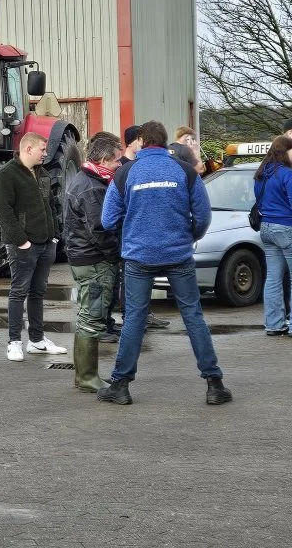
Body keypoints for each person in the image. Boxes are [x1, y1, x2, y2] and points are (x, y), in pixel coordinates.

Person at [98, 121, 231, 406]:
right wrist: (188, 236)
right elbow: (203, 216)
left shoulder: (124, 173)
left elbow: (108, 219)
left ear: (143, 141)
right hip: (178, 255)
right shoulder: (184, 171)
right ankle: (214, 384)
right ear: (165, 140)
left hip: (138, 257)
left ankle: (120, 385)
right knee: (193, 316)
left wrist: (132, 230)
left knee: (134, 318)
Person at [0, 132, 68, 361]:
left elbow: (52, 205)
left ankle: (36, 341)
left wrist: (54, 236)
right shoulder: (7, 175)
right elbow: (2, 210)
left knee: (38, 292)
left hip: (46, 243)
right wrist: (21, 241)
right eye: (42, 150)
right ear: (28, 149)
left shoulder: (42, 173)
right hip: (23, 245)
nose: (45, 154)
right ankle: (14, 342)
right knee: (19, 292)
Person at [62, 134, 124, 392]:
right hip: (94, 261)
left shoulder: (85, 179)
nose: (120, 165)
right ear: (105, 159)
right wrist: (116, 253)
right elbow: (100, 230)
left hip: (84, 257)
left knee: (89, 315)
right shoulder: (93, 187)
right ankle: (87, 377)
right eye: (118, 160)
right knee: (91, 318)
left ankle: (85, 375)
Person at [104, 125, 171, 339]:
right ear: (135, 141)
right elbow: (111, 210)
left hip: (141, 236)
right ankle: (131, 318)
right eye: (142, 139)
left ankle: (144, 315)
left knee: (143, 278)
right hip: (127, 234)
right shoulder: (123, 168)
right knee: (128, 279)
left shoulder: (139, 165)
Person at [254, 136, 292, 336]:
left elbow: (258, 202)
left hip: (266, 228)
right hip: (286, 227)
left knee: (273, 278)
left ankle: (274, 324)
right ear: (284, 152)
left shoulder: (262, 174)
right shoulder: (288, 174)